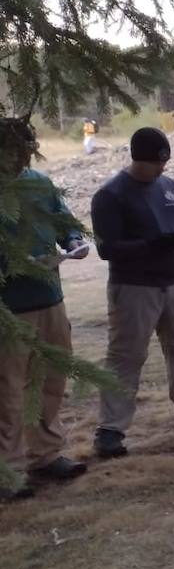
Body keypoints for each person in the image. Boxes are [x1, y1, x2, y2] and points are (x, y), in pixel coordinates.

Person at [90, 127, 174, 458]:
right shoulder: (110, 195)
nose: (161, 169)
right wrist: (151, 245)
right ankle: (110, 429)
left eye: (165, 162)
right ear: (138, 158)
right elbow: (107, 249)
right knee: (126, 356)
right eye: (155, 163)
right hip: (135, 286)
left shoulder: (171, 186)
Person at [0, 120, 89, 500]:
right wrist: (19, 264)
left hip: (50, 298)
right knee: (8, 390)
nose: (21, 158)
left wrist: (73, 240)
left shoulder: (39, 182)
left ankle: (45, 454)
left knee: (50, 379)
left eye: (26, 150)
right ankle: (10, 469)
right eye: (13, 151)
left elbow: (63, 222)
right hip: (9, 308)